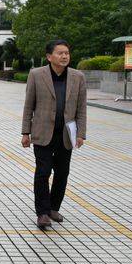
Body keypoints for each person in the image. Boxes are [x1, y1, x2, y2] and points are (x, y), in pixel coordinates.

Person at [22, 39, 87, 229]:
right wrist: (26, 132)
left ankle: (53, 207)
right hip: (42, 132)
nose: (64, 56)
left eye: (66, 53)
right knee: (43, 172)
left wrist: (81, 133)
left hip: (66, 134)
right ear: (49, 57)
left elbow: (81, 108)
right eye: (60, 53)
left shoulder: (78, 77)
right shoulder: (36, 75)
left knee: (62, 173)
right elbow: (29, 105)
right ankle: (42, 212)